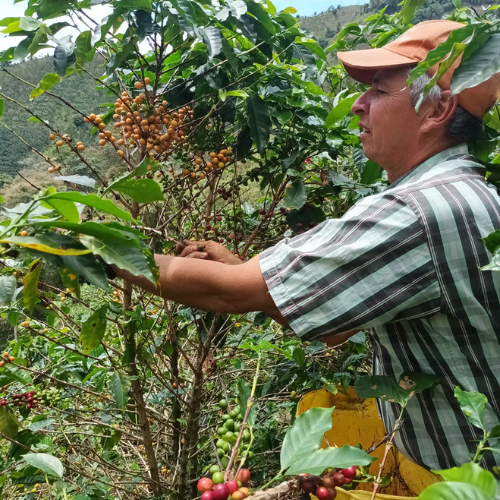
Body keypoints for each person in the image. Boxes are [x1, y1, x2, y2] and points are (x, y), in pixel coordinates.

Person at [113, 20, 500, 472]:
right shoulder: (462, 190)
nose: (358, 105)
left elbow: (227, 292)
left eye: (378, 90)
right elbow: (336, 329)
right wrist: (251, 271)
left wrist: (99, 251)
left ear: (437, 111)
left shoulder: (417, 211)